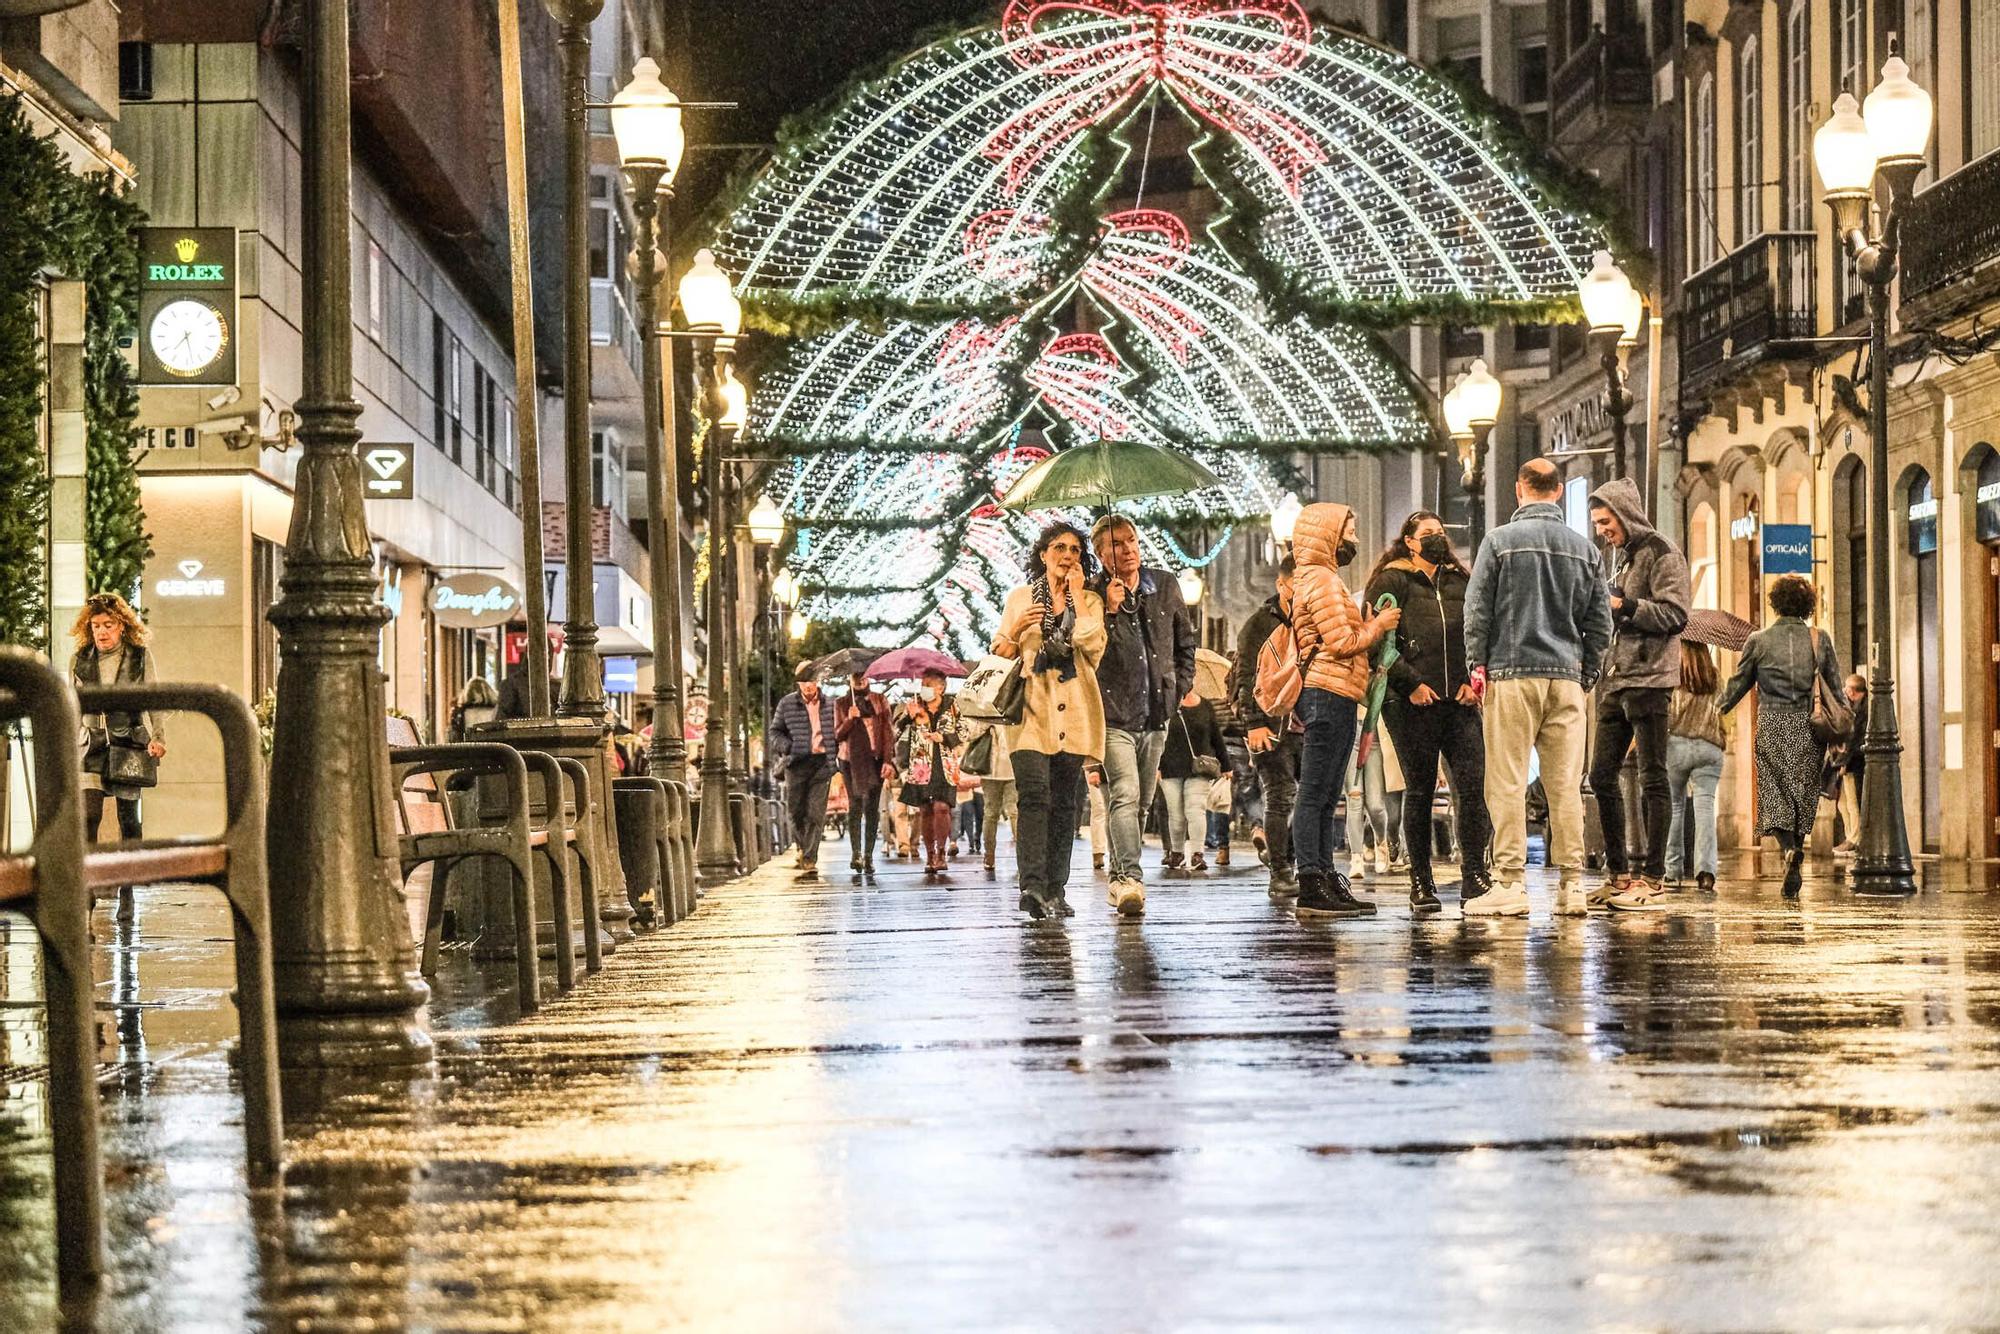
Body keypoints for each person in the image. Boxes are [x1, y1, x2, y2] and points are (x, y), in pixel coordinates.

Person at [1464, 459, 1614, 917]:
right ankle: (1570, 886)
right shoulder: (1585, 549)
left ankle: (1510, 883)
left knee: (1507, 782)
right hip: (1566, 679)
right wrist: (1585, 674)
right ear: (1559, 491)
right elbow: (1600, 622)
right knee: (1565, 785)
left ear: (1518, 489)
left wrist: (1477, 668)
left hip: (1511, 676)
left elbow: (1478, 612)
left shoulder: (1499, 543)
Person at [1364, 510, 1490, 914]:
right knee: (1418, 790)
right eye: (1427, 533)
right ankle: (1421, 880)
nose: (1436, 538)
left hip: (1460, 701)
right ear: (1410, 541)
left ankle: (1475, 874)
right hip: (1411, 704)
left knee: (1472, 789)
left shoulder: (1460, 581)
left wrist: (1475, 680)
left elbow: (1480, 632)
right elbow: (1377, 643)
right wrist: (1411, 683)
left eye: (1440, 531)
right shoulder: (1392, 580)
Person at [1289, 502, 1400, 918]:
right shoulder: (1321, 579)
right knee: (1316, 792)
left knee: (1326, 792)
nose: (1353, 536)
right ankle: (1311, 880)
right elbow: (1340, 642)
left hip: (1334, 691)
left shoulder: (1321, 578)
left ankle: (1323, 876)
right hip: (1327, 691)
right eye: (1349, 529)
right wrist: (1378, 626)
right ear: (1328, 534)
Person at [993, 522, 1107, 919]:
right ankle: (1032, 886)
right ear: (1043, 554)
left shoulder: (1089, 601)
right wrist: (1019, 628)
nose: (1067, 555)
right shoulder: (1021, 598)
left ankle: (1056, 888)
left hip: (1074, 713)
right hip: (1029, 713)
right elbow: (1000, 652)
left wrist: (1076, 597)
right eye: (1059, 547)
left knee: (1065, 805)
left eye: (1075, 549)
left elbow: (1094, 649)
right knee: (1034, 796)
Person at [1586, 478, 1691, 910]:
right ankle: (1619, 875)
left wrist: (1625, 607)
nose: (1601, 531)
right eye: (1596, 524)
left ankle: (1653, 878)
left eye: (1605, 521)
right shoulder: (1622, 558)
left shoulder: (1662, 552)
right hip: (1616, 676)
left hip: (1649, 678)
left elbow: (1676, 613)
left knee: (1652, 776)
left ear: (1625, 514)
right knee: (1600, 776)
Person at [1088, 513, 1197, 914]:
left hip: (1157, 711)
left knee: (1142, 803)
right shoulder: (1092, 594)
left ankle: (1118, 877)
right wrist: (1109, 611)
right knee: (1125, 793)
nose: (1128, 549)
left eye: (1131, 540)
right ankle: (1131, 878)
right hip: (1113, 713)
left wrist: (1179, 687)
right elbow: (1088, 650)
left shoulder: (1164, 584)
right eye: (1116, 544)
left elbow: (1185, 643)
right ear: (1101, 555)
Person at [1719, 574, 1845, 898]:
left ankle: (1788, 849)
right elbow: (1834, 684)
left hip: (1773, 722)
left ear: (1774, 603)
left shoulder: (1758, 641)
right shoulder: (1820, 638)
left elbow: (1739, 683)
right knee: (1802, 792)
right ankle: (1796, 850)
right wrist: (1844, 724)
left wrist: (1719, 708)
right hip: (1808, 724)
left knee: (1774, 791)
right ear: (1808, 605)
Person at [70, 593, 166, 849]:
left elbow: (154, 699)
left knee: (128, 819)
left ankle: (128, 885)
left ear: (121, 625)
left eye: (108, 625)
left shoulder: (139, 657)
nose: (102, 632)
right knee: (88, 816)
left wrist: (158, 737)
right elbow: (71, 705)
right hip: (91, 742)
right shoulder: (80, 659)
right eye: (96, 626)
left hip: (128, 741)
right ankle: (88, 884)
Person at [1234, 556, 1301, 901]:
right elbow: (1244, 676)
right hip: (1273, 725)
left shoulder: (1314, 620)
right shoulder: (1260, 624)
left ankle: (1286, 856)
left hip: (1310, 722)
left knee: (1312, 798)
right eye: (1297, 584)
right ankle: (1281, 872)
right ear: (1282, 584)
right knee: (1280, 794)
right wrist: (1254, 723)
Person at [1664, 641, 1726, 893]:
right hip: (1709, 747)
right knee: (1705, 809)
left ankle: (1672, 871)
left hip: (1677, 747)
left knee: (1675, 808)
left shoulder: (1673, 677)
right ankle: (1706, 872)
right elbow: (1723, 709)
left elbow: (1669, 715)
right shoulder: (1715, 678)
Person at [767, 662, 839, 877]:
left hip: (822, 763)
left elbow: (839, 732)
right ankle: (801, 846)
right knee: (796, 811)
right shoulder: (787, 703)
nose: (809, 686)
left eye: (813, 681)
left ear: (818, 682)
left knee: (815, 812)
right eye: (805, 682)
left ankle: (809, 856)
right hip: (796, 764)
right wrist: (787, 746)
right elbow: (774, 732)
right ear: (799, 683)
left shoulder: (831, 705)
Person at [1159, 688, 1232, 876]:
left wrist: (1226, 765)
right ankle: (1177, 852)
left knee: (1195, 809)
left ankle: (1197, 854)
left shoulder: (1205, 705)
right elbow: (1157, 736)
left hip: (1200, 767)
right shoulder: (1165, 703)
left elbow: (1216, 736)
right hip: (1169, 766)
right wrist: (1155, 765)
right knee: (1175, 814)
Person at [896, 668, 961, 877]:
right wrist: (908, 717)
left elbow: (966, 730)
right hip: (921, 765)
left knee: (942, 807)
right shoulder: (915, 705)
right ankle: (930, 854)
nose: (924, 689)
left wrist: (946, 738)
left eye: (929, 685)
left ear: (941, 687)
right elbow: (896, 730)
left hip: (945, 765)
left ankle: (941, 853)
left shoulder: (953, 706)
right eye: (923, 685)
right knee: (925, 810)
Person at [835, 670, 897, 873]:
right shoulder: (842, 703)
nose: (860, 680)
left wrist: (888, 760)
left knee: (872, 807)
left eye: (863, 676)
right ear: (850, 679)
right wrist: (850, 719)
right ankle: (856, 854)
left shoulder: (879, 700)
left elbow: (888, 731)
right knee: (855, 805)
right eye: (855, 677)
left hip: (875, 759)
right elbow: (837, 735)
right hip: (850, 760)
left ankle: (869, 855)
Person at [1832, 673, 1867, 854]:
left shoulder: (1863, 710)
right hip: (1847, 761)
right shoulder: (1852, 707)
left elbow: (1855, 739)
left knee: (1852, 803)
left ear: (1853, 691)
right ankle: (1850, 837)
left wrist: (1844, 762)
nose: (1844, 691)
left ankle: (1855, 839)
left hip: (1854, 763)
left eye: (1847, 688)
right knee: (1842, 804)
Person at [449, 676, 500, 742]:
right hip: (493, 748)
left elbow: (454, 736)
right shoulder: (496, 710)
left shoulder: (460, 713)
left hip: (469, 749)